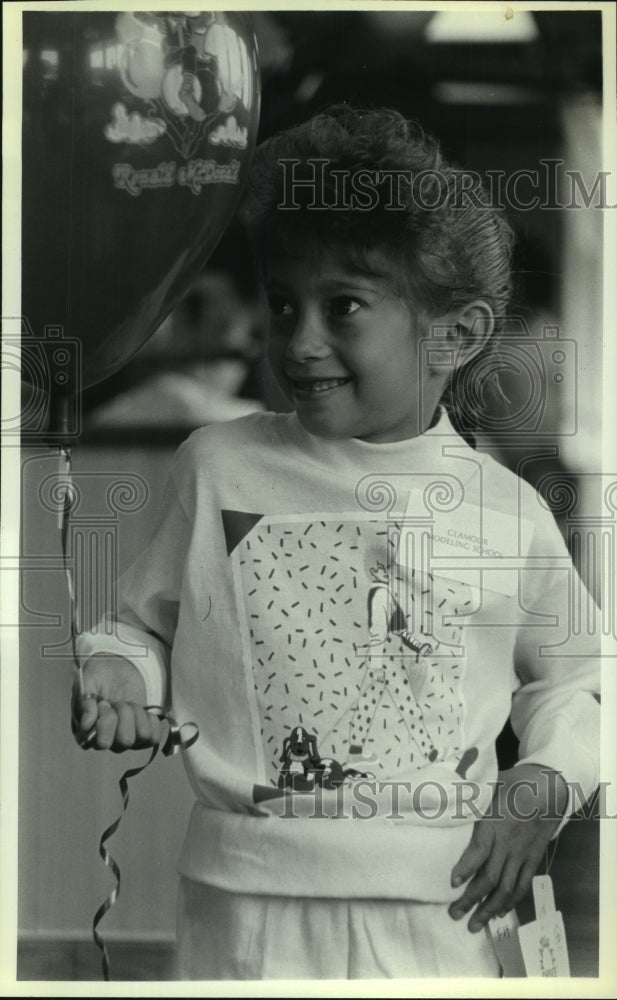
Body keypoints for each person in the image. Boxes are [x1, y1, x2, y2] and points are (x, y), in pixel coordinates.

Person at [72, 107, 600, 979]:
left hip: (442, 907)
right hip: (241, 907)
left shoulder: (504, 512)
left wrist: (545, 778)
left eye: (343, 306)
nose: (300, 340)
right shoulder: (218, 469)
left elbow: (581, 678)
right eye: (284, 304)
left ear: (455, 335)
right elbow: (141, 628)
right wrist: (119, 671)